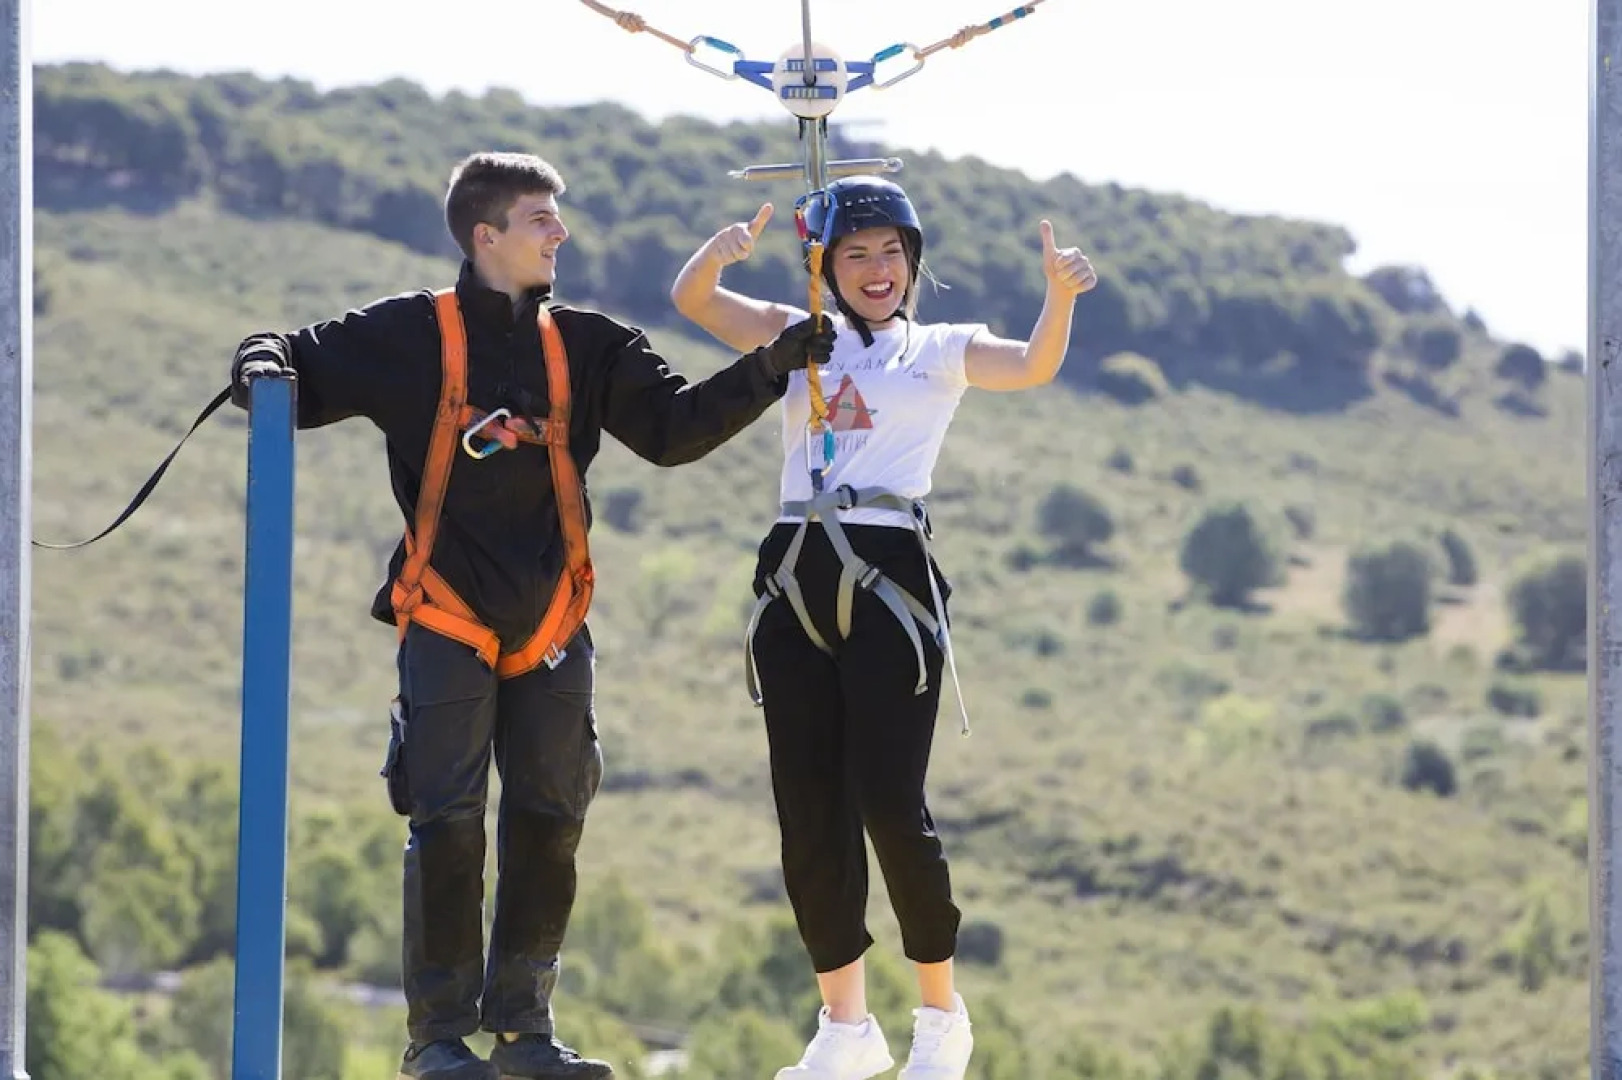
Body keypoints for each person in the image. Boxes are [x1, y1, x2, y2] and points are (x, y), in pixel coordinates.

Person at [229, 150, 835, 1080]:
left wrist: (772, 367)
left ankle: (524, 1035)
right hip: (446, 617)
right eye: (541, 219)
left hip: (554, 621)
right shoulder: (407, 335)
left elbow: (672, 431)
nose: (561, 233)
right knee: (448, 820)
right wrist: (261, 359)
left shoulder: (592, 346)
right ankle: (436, 1040)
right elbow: (290, 367)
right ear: (486, 236)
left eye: (558, 218)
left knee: (552, 817)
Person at [669, 175, 1097, 1080]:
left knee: (888, 802)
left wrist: (1057, 300)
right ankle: (846, 1028)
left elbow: (1031, 365)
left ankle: (941, 1020)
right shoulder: (800, 333)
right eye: (856, 254)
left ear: (912, 263)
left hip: (889, 570)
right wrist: (723, 253)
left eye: (891, 254)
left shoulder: (937, 348)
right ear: (825, 265)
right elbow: (695, 301)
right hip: (793, 566)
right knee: (807, 808)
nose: (877, 270)